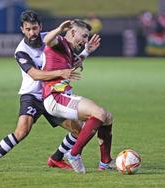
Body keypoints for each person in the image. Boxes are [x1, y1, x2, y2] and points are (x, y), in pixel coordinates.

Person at [0, 10, 100, 174]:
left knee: (79, 131)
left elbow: (68, 63)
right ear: (22, 29)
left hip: (54, 94)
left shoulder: (50, 38)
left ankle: (56, 159)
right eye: (28, 29)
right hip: (32, 95)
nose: (32, 32)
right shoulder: (21, 51)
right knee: (22, 131)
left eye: (34, 28)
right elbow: (35, 74)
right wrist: (60, 73)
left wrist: (85, 52)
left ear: (40, 26)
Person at [42, 19, 114, 173]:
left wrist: (87, 50)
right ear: (73, 32)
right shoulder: (60, 42)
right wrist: (60, 28)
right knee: (98, 113)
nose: (85, 40)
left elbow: (75, 63)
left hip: (64, 96)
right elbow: (47, 40)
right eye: (84, 36)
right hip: (55, 97)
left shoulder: (68, 49)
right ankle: (74, 154)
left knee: (107, 117)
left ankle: (105, 162)